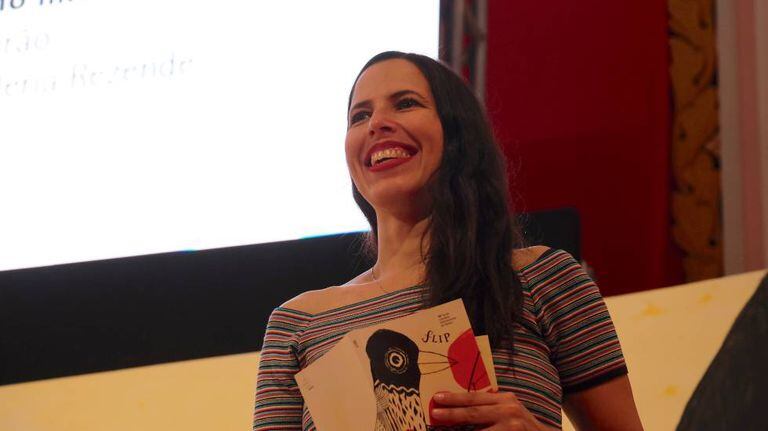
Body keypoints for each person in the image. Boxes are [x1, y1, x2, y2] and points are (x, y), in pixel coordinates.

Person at [253, 51, 643, 431]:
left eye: (405, 103)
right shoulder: (297, 324)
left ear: (458, 133)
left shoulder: (543, 278)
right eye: (360, 115)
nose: (377, 124)